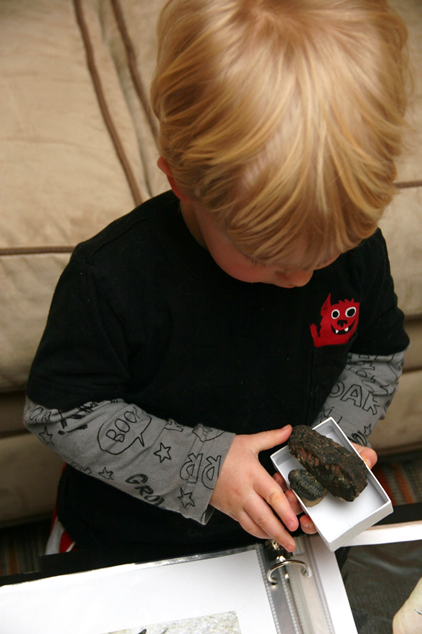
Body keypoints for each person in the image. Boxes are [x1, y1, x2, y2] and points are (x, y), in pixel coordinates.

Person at [24, 0, 410, 557]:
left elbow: (375, 354)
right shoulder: (112, 277)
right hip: (128, 540)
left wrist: (333, 446)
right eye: (270, 258)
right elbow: (59, 413)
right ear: (181, 181)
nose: (303, 279)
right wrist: (205, 468)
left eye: (328, 253)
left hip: (279, 540)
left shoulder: (354, 249)